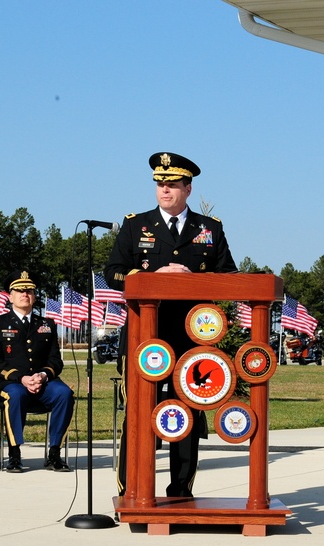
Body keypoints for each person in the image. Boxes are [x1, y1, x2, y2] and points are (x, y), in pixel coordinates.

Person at [104, 152, 237, 497]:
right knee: (138, 412)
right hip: (143, 338)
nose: (164, 190)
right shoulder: (135, 225)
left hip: (192, 340)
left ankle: (181, 489)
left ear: (188, 188)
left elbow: (231, 278)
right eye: (160, 184)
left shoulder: (210, 229)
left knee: (188, 414)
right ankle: (131, 487)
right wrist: (153, 277)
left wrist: (193, 281)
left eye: (173, 184)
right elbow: (113, 272)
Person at [0, 270, 74, 473]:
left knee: (64, 393)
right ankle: (14, 454)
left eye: (29, 291)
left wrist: (42, 375)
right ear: (10, 295)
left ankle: (54, 453)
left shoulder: (47, 325)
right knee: (15, 394)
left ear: (34, 296)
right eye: (20, 290)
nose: (25, 294)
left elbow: (55, 361)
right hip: (9, 382)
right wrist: (21, 378)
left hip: (42, 382)